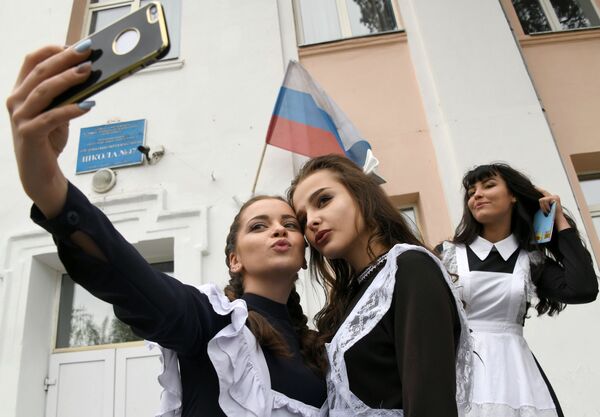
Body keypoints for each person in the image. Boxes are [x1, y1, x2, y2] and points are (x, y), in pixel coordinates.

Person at [7, 44, 327, 416]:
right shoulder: (211, 323)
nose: (279, 230)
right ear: (234, 259)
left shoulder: (320, 350)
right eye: (260, 225)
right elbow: (130, 277)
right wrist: (48, 187)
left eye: (290, 224)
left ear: (304, 257)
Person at [288, 155, 473, 417]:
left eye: (324, 200)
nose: (312, 221)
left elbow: (430, 402)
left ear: (362, 196)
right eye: (303, 218)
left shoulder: (410, 268)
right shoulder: (349, 299)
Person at [436, 163, 598, 417]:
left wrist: (558, 220)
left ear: (513, 196)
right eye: (471, 192)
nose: (476, 195)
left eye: (488, 186)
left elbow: (584, 289)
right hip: (458, 371)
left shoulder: (531, 261)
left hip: (518, 378)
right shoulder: (446, 255)